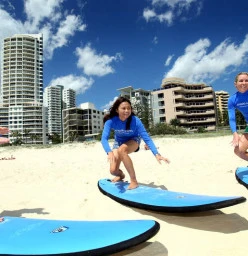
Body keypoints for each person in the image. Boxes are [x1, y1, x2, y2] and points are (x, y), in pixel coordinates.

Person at [101, 96, 170, 190]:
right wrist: (109, 151)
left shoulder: (135, 120)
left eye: (129, 108)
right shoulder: (111, 121)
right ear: (117, 110)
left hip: (134, 140)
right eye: (123, 108)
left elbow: (146, 137)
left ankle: (134, 181)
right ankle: (121, 176)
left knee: (122, 150)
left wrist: (156, 154)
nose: (126, 111)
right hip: (118, 142)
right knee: (113, 170)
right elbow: (104, 138)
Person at [228, 72, 248, 160]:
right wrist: (235, 133)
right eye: (241, 81)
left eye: (246, 80)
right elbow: (232, 118)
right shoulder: (232, 100)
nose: (244, 83)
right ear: (235, 84)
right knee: (238, 150)